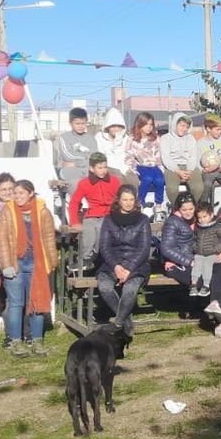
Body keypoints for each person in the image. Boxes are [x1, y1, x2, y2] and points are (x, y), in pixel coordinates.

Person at [0, 179, 59, 354]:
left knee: (37, 303)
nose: (17, 197)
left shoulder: (42, 211)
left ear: (31, 193)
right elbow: (2, 239)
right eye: (15, 193)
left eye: (21, 193)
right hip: (16, 263)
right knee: (16, 303)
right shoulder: (7, 211)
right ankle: (16, 341)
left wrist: (52, 262)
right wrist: (6, 264)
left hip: (37, 263)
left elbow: (49, 238)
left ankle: (37, 340)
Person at [96, 185, 152, 339]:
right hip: (112, 263)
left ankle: (119, 323)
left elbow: (144, 248)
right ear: (118, 201)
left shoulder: (143, 220)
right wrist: (116, 266)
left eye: (131, 199)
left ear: (136, 201)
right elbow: (104, 246)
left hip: (137, 264)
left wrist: (129, 268)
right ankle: (127, 324)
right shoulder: (109, 219)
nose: (128, 203)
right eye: (125, 199)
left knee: (130, 289)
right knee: (105, 287)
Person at [67, 153, 120, 271]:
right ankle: (85, 258)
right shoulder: (85, 183)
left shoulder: (114, 181)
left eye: (105, 167)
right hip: (92, 214)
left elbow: (119, 199)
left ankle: (97, 256)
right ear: (92, 168)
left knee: (102, 230)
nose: (103, 171)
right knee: (88, 231)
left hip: (109, 215)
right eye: (100, 168)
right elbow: (74, 203)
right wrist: (74, 221)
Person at [191, 200, 221, 310]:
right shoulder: (198, 227)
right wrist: (195, 248)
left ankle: (206, 285)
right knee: (197, 262)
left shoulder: (218, 226)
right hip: (201, 253)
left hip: (213, 254)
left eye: (204, 217)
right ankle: (194, 284)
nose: (201, 220)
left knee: (208, 264)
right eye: (199, 217)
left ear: (211, 215)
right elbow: (194, 239)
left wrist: (216, 249)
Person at [192, 113, 221, 209]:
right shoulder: (200, 143)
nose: (220, 132)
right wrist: (203, 170)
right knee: (207, 185)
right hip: (208, 171)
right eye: (217, 129)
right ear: (208, 129)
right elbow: (196, 160)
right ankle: (203, 207)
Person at [124, 112, 165, 217]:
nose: (148, 127)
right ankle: (140, 202)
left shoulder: (155, 138)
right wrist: (133, 168)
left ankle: (159, 204)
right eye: (146, 124)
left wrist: (160, 167)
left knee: (160, 180)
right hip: (141, 166)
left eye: (151, 125)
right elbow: (129, 155)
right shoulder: (132, 139)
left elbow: (158, 154)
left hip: (154, 165)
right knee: (146, 179)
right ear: (139, 124)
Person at [54, 107, 96, 192]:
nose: (80, 126)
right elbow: (68, 156)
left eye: (83, 123)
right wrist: (86, 159)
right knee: (76, 182)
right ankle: (76, 204)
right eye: (77, 123)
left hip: (86, 169)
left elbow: (95, 158)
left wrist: (76, 163)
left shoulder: (91, 139)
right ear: (71, 123)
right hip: (68, 170)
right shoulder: (64, 137)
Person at [160, 112, 199, 204]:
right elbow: (166, 157)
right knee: (172, 188)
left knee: (198, 187)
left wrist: (189, 170)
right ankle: (176, 208)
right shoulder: (165, 138)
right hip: (172, 167)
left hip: (189, 166)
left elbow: (193, 156)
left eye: (187, 127)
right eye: (182, 126)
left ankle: (192, 207)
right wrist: (178, 171)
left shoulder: (191, 139)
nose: (184, 129)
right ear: (175, 124)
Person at [94, 107, 137, 189]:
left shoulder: (126, 138)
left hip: (124, 166)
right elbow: (100, 156)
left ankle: (131, 201)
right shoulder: (99, 137)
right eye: (113, 126)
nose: (116, 129)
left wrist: (127, 168)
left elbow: (128, 155)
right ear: (107, 126)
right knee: (118, 180)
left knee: (133, 180)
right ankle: (116, 201)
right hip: (107, 166)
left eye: (119, 126)